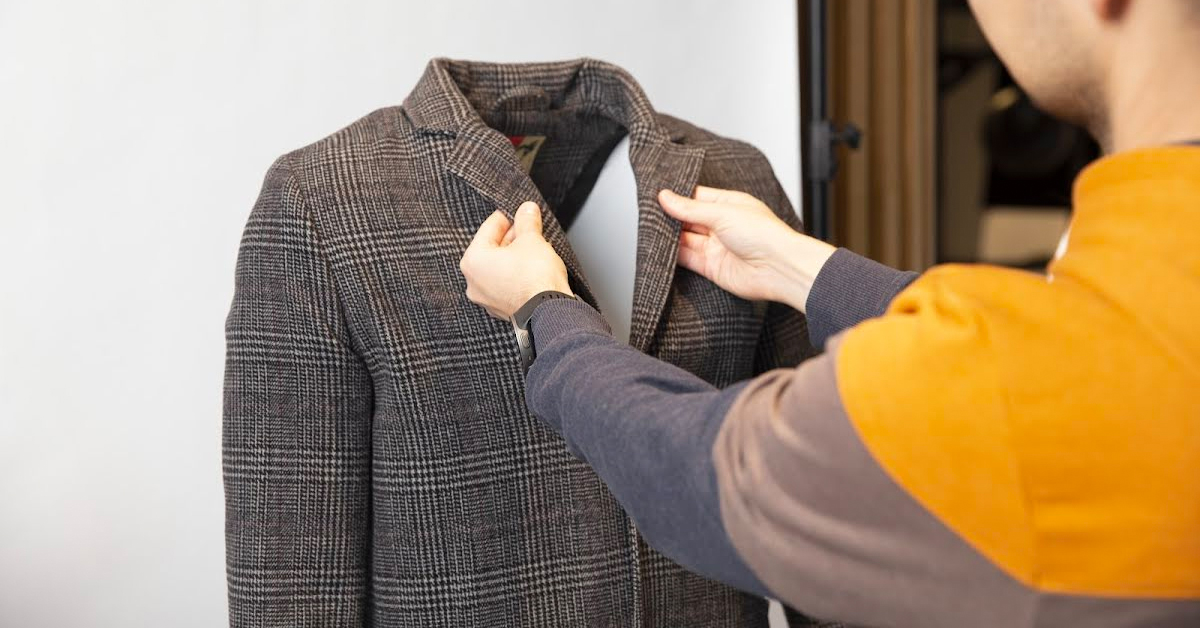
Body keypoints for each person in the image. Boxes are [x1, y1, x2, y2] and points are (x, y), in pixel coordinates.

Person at [458, 0, 1200, 626]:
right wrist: (804, 268)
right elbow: (1061, 339)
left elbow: (694, 467)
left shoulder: (1013, 396)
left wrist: (545, 312)